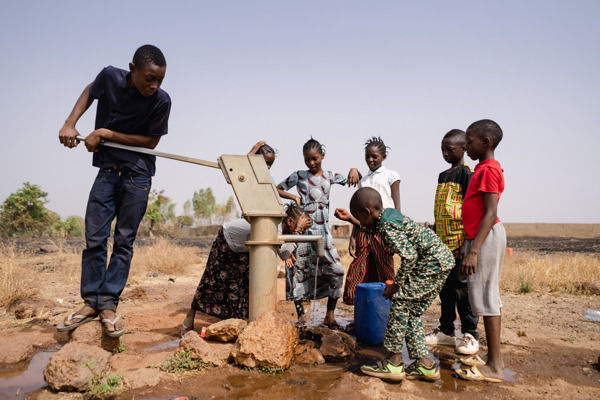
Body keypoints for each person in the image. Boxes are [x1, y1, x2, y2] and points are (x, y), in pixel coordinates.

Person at [56, 45, 171, 338]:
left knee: (123, 241)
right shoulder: (109, 77)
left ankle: (108, 305)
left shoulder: (161, 100)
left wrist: (104, 133)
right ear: (132, 69)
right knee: (94, 237)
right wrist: (71, 123)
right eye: (149, 78)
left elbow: (150, 142)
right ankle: (90, 303)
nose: (154, 85)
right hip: (107, 172)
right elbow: (90, 90)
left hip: (138, 177)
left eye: (159, 79)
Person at [335, 187, 454, 381]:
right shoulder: (387, 217)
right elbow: (372, 228)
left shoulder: (388, 226)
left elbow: (410, 256)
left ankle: (393, 363)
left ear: (366, 212)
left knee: (399, 303)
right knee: (411, 311)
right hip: (439, 261)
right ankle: (425, 366)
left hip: (431, 263)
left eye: (359, 218)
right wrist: (351, 220)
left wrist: (395, 285)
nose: (360, 225)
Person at [182, 204, 312, 334]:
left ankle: (240, 324)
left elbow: (283, 254)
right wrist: (297, 232)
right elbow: (284, 252)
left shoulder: (282, 230)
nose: (303, 233)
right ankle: (189, 318)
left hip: (244, 250)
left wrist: (297, 232)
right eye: (302, 228)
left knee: (246, 286)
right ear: (290, 221)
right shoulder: (275, 225)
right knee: (210, 280)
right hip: (226, 241)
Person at [277, 138, 359, 327]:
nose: (311, 163)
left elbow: (353, 178)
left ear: (323, 156)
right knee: (297, 273)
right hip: (302, 233)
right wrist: (293, 197)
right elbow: (277, 188)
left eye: (315, 159)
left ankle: (329, 316)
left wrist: (354, 168)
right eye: (307, 160)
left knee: (337, 272)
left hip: (323, 234)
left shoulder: (329, 176)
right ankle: (301, 319)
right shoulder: (299, 175)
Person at [454, 119, 506, 383]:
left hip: (485, 239)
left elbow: (490, 213)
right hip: (478, 238)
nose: (466, 145)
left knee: (487, 298)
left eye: (470, 141)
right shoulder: (482, 168)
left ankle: (495, 366)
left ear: (486, 143)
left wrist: (473, 250)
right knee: (484, 297)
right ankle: (492, 361)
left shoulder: (488, 170)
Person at [425, 129, 480, 355]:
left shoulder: (467, 174)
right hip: (442, 244)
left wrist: (468, 245)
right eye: (442, 150)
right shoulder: (442, 175)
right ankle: (446, 332)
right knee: (445, 290)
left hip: (460, 243)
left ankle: (470, 335)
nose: (445, 153)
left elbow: (470, 211)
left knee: (462, 291)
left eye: (450, 149)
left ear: (463, 148)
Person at [342, 136, 399, 305]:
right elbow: (360, 212)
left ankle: (387, 313)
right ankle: (360, 313)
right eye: (367, 156)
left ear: (384, 157)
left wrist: (395, 234)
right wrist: (353, 236)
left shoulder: (391, 175)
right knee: (359, 270)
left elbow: (397, 207)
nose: (370, 160)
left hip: (383, 229)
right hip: (364, 230)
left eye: (375, 156)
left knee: (385, 269)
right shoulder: (364, 180)